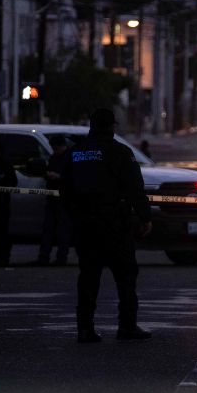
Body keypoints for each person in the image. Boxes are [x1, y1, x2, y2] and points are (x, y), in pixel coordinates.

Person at [60, 108, 153, 344]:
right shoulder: (120, 152)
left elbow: (64, 190)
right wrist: (145, 217)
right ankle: (127, 326)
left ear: (91, 125)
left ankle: (84, 328)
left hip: (85, 226)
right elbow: (135, 188)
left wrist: (75, 216)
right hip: (114, 225)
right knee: (125, 276)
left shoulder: (75, 153)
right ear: (112, 126)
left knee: (88, 277)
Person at [37, 135, 72, 266]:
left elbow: (72, 178)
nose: (54, 150)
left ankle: (61, 258)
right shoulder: (55, 158)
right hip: (53, 198)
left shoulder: (69, 159)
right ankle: (44, 256)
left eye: (56, 148)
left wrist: (58, 177)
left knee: (63, 230)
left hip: (64, 200)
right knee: (48, 229)